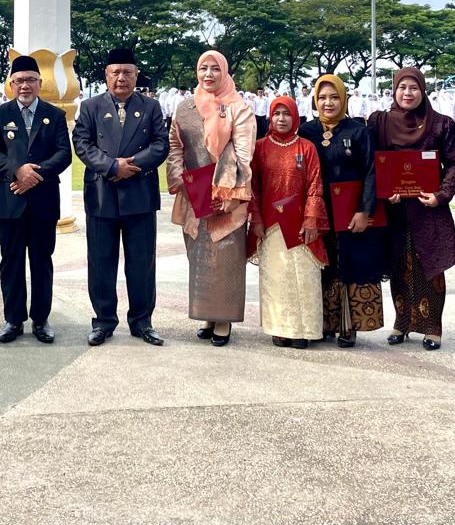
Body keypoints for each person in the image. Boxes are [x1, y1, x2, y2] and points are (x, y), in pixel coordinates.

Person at [72, 47, 169, 347]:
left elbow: (160, 144)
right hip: (102, 194)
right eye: (115, 72)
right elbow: (82, 143)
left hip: (139, 195)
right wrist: (112, 166)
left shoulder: (151, 107)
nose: (121, 78)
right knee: (101, 262)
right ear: (106, 76)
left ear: (136, 75)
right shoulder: (90, 106)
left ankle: (142, 321)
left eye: (127, 72)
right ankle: (103, 321)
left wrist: (132, 166)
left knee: (142, 263)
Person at [165, 50, 255, 347]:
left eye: (215, 69)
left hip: (226, 195)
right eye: (203, 68)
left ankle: (224, 319)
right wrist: (180, 180)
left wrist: (225, 193)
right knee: (200, 257)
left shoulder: (238, 107)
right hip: (194, 194)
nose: (208, 74)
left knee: (226, 257)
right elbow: (176, 146)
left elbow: (243, 154)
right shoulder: (186, 107)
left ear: (225, 72)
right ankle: (206, 314)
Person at [369, 68, 455, 350]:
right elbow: (373, 162)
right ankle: (402, 322)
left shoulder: (440, 125)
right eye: (402, 88)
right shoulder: (381, 122)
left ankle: (433, 326)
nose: (407, 94)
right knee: (398, 267)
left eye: (413, 88)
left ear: (422, 91)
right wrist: (385, 193)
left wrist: (441, 195)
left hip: (429, 210)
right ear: (394, 90)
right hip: (396, 211)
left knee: (430, 267)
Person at [0, 56, 72, 344]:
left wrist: (36, 175)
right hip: (9, 201)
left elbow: (63, 154)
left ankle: (41, 319)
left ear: (40, 83)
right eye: (19, 80)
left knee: (41, 261)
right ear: (11, 84)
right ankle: (13, 319)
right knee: (10, 261)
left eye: (30, 80)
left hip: (43, 200)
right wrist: (17, 171)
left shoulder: (55, 115)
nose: (25, 85)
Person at [299, 74, 388, 347]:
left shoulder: (358, 131)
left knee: (351, 263)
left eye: (334, 97)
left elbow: (372, 172)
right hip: (319, 211)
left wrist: (365, 210)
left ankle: (349, 326)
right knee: (323, 266)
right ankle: (326, 322)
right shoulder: (307, 132)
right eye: (323, 97)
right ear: (315, 100)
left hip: (351, 212)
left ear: (344, 98)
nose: (328, 103)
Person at [250, 96, 327, 348]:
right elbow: (254, 188)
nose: (281, 119)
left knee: (303, 278)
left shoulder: (306, 147)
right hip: (271, 225)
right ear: (270, 117)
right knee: (277, 278)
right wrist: (257, 219)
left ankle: (305, 330)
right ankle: (280, 329)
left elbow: (315, 186)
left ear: (296, 117)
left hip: (301, 224)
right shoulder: (260, 147)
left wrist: (311, 220)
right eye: (277, 114)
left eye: (287, 114)